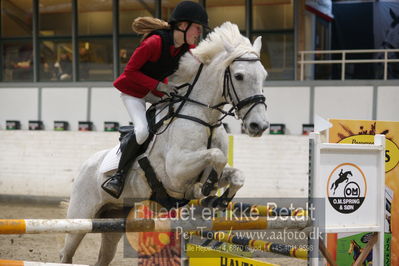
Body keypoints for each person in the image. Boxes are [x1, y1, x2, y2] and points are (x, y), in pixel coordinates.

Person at [102, 1, 209, 198]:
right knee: (142, 131)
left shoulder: (186, 47)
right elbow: (130, 72)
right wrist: (161, 86)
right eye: (197, 28)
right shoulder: (154, 43)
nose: (199, 33)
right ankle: (119, 175)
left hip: (154, 92)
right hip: (133, 91)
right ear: (183, 26)